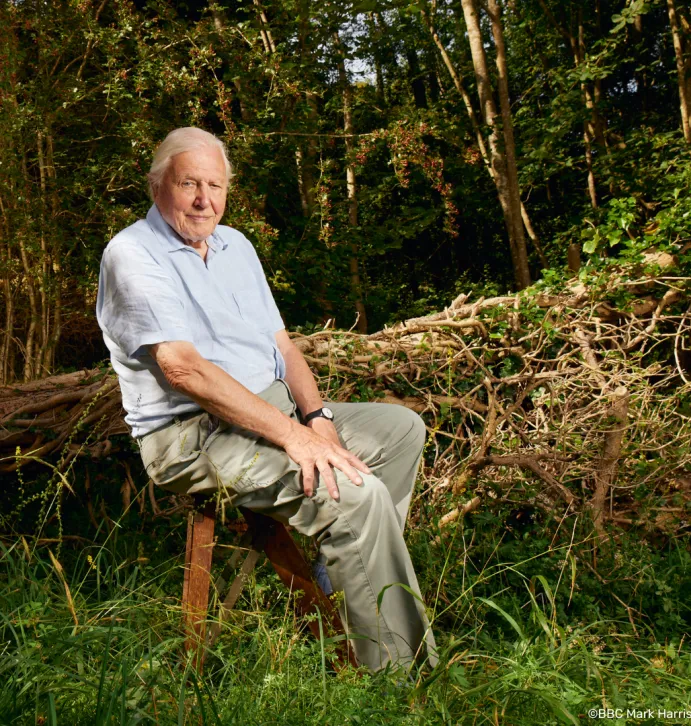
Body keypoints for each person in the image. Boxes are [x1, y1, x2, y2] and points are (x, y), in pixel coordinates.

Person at [96, 127, 437, 672]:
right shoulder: (132, 254)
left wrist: (317, 418)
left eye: (216, 185)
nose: (205, 199)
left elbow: (283, 347)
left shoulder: (237, 247)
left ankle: (345, 574)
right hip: (193, 435)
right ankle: (401, 678)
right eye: (190, 184)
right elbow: (183, 369)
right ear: (158, 185)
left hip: (272, 412)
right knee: (360, 497)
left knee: (400, 431)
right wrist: (294, 437)